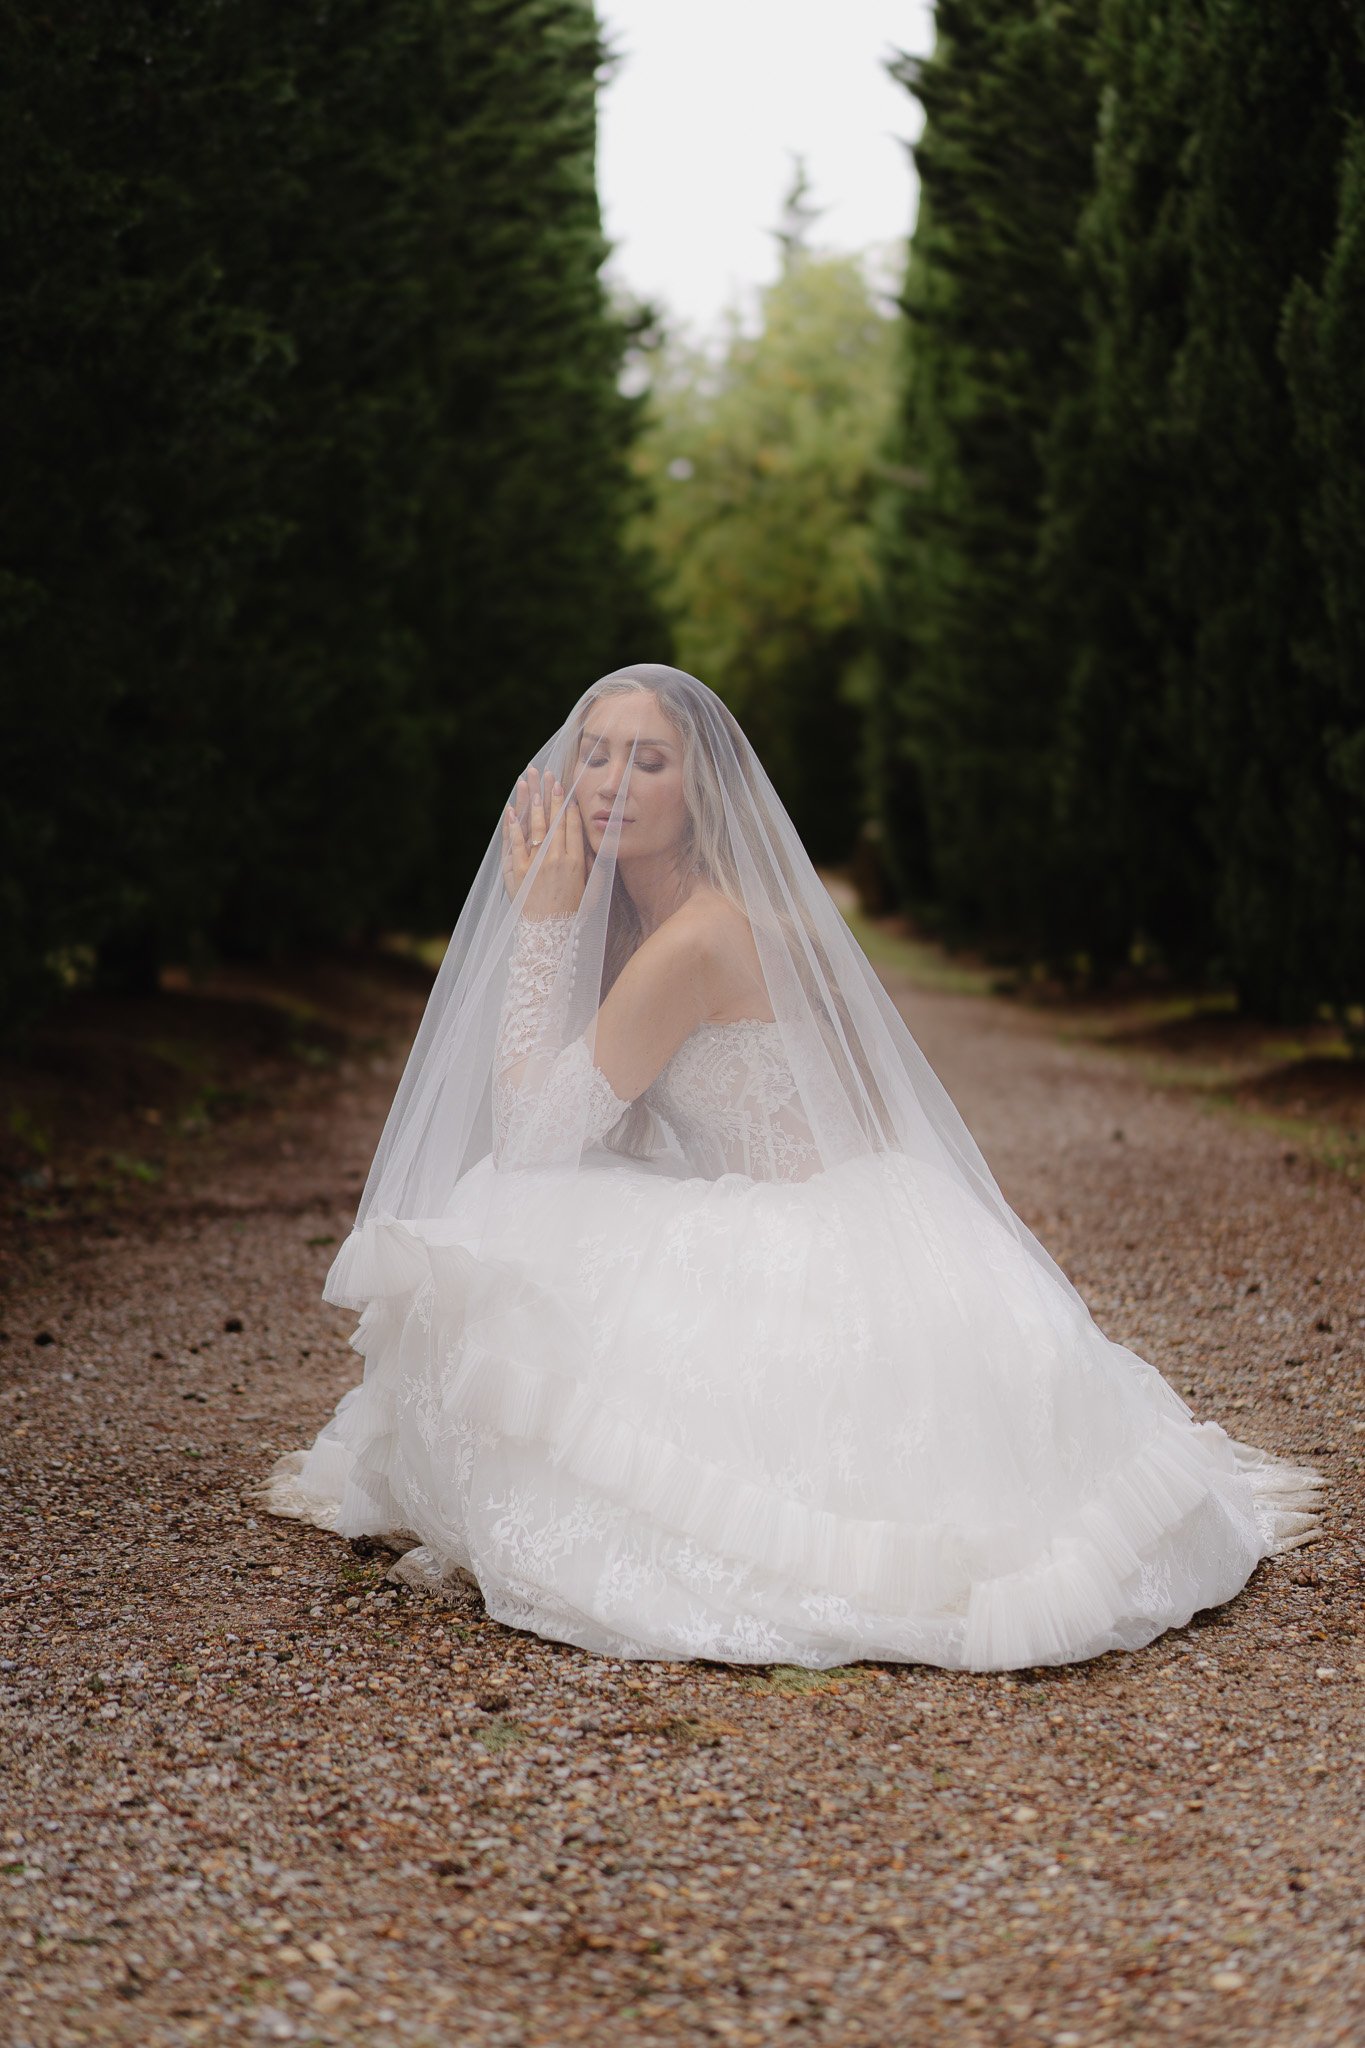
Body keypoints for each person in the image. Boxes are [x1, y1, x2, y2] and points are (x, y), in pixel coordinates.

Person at [251, 664, 1325, 1669]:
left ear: (701, 789)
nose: (613, 783)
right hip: (862, 1214)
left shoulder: (696, 938)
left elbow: (532, 1135)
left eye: (650, 759)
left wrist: (539, 925)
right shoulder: (669, 913)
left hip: (816, 1242)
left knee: (503, 1217)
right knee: (523, 1235)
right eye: (596, 753)